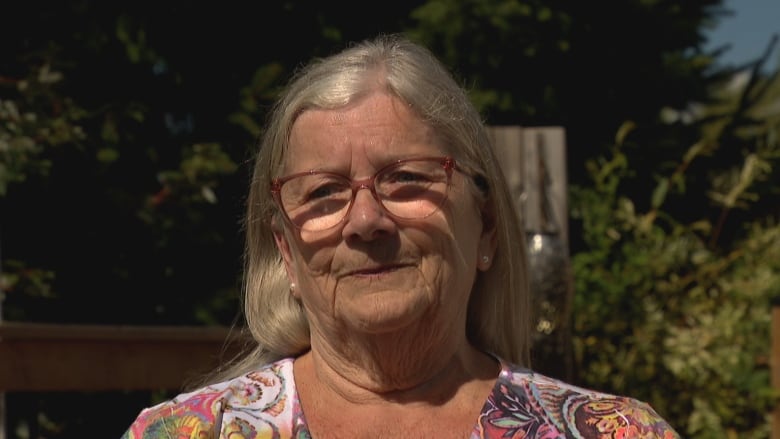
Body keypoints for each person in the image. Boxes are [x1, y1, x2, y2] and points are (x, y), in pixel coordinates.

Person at [121, 33, 680, 438]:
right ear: (286, 253)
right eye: (323, 193)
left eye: (406, 179)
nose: (366, 221)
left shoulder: (612, 432)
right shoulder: (186, 432)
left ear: (485, 225)